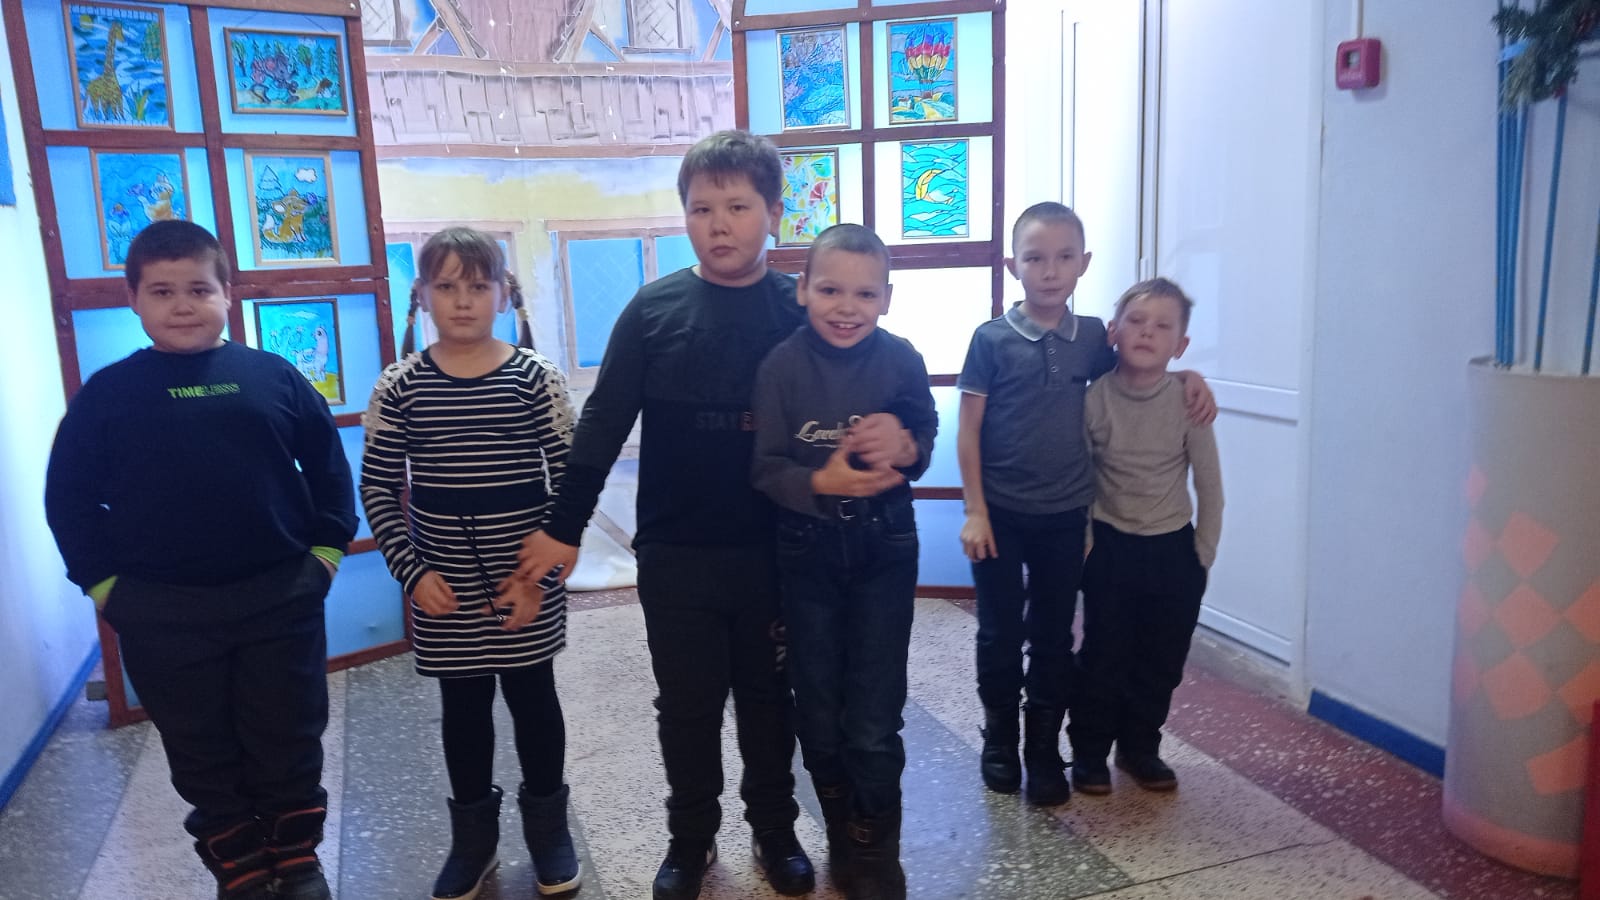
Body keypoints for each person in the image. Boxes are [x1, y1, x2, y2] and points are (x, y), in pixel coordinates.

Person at [511, 130, 814, 900]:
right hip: (678, 552)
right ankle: (690, 837)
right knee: (686, 706)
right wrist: (564, 527)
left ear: (774, 214)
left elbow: (848, 392)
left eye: (738, 207)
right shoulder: (654, 310)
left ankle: (775, 830)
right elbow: (602, 424)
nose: (719, 224)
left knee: (768, 701)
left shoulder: (800, 309)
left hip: (775, 550)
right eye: (702, 208)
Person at [44, 220, 357, 900]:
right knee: (200, 748)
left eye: (198, 288)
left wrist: (326, 557)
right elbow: (68, 498)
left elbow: (331, 473)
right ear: (133, 299)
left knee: (288, 738)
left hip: (280, 599)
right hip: (162, 613)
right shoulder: (108, 395)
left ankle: (297, 861)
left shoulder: (273, 376)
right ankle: (239, 867)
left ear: (227, 294)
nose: (182, 305)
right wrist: (105, 587)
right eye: (162, 291)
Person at [956, 202, 1214, 806]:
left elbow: (1141, 367)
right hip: (999, 515)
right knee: (999, 633)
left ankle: (1044, 749)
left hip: (1066, 517)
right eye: (1035, 258)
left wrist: (1189, 377)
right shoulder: (990, 340)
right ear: (1013, 265)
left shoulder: (1096, 336)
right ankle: (1000, 739)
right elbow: (968, 429)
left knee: (1052, 636)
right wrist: (975, 510)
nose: (1050, 271)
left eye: (1064, 257)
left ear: (1084, 263)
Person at [360, 227, 582, 899]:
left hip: (526, 587)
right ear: (422, 295)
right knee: (463, 710)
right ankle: (474, 842)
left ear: (503, 294)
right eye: (447, 286)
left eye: (478, 286)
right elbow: (378, 488)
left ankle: (548, 831)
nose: (462, 301)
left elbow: (570, 485)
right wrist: (412, 573)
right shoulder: (399, 385)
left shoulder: (535, 378)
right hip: (444, 590)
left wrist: (539, 579)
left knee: (535, 702)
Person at [750, 224, 936, 900]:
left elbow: (925, 441)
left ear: (886, 298)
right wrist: (818, 483)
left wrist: (907, 445)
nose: (847, 307)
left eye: (865, 294)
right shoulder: (780, 367)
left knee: (874, 718)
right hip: (808, 552)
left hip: (887, 547)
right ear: (802, 289)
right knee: (820, 714)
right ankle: (840, 831)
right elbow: (765, 468)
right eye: (830, 290)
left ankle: (876, 847)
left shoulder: (902, 359)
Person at [1068, 277, 1223, 794]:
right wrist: (1087, 545)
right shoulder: (1094, 400)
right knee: (1103, 657)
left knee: (1161, 660)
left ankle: (1140, 749)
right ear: (1113, 332)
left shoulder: (1188, 401)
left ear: (1180, 344)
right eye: (1135, 321)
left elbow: (1210, 485)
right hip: (1111, 546)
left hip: (1174, 551)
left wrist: (1202, 554)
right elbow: (1081, 477)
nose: (1147, 333)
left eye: (1162, 326)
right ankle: (1089, 752)